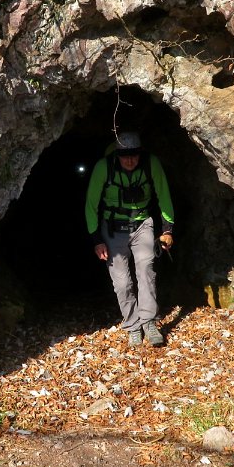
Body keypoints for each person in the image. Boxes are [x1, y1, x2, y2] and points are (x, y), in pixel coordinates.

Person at [84, 131, 175, 347]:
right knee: (122, 282)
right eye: (125, 156)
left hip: (142, 224)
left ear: (140, 153)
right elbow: (91, 204)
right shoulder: (103, 168)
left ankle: (149, 322)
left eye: (134, 155)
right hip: (112, 228)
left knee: (146, 270)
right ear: (117, 155)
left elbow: (163, 195)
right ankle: (133, 326)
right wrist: (97, 240)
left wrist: (168, 230)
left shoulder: (151, 164)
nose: (130, 160)